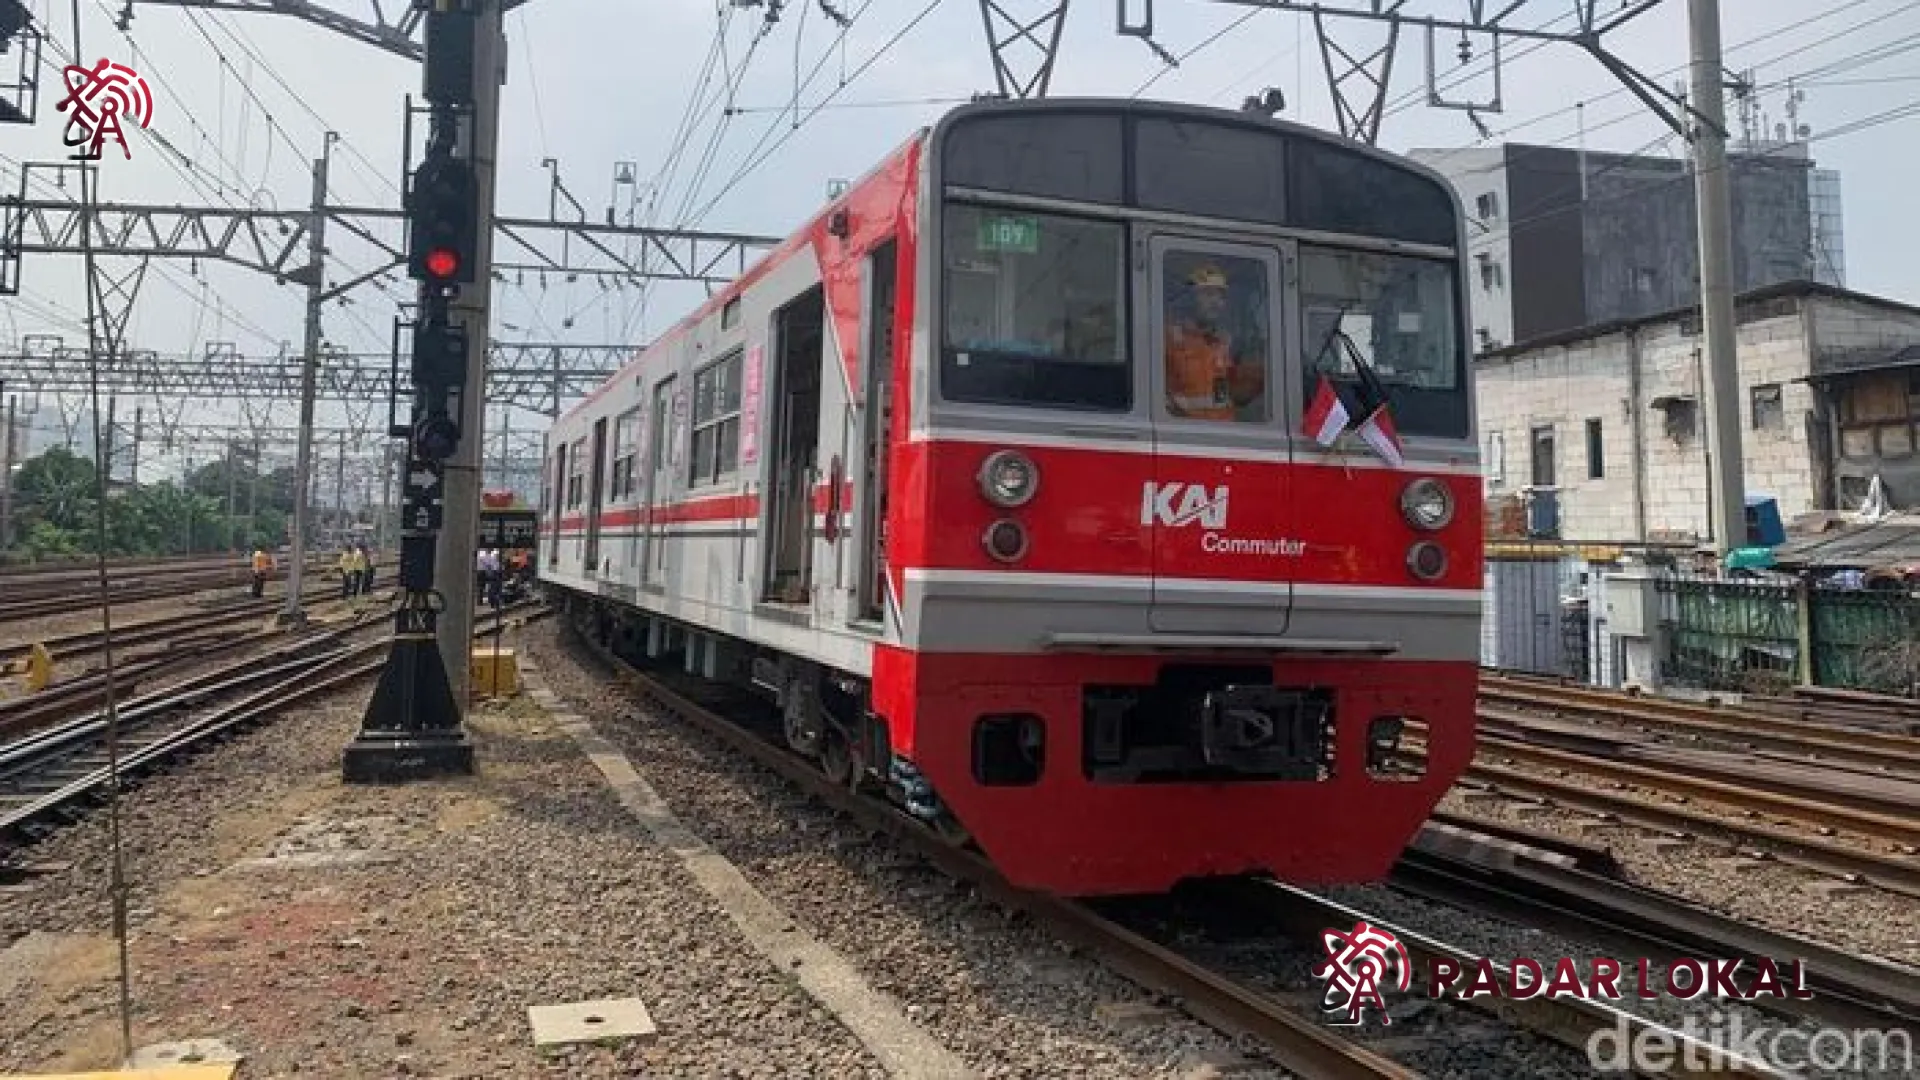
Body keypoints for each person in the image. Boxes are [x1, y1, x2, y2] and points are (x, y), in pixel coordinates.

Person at [1164, 262, 1265, 422]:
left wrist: (1263, 374)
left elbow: (1236, 391)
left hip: (1223, 434)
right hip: (1184, 434)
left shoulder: (1226, 342)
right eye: (1208, 294)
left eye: (1221, 296)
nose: (1216, 302)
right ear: (1190, 299)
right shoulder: (1169, 339)